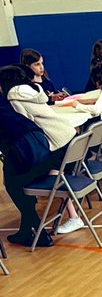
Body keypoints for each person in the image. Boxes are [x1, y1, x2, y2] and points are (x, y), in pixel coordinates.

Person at [1, 64, 92, 234]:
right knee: (52, 172)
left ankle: (67, 218)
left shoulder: (13, 97)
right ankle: (70, 216)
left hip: (54, 141)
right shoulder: (33, 90)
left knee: (25, 176)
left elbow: (25, 122)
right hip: (67, 136)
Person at [0, 82, 60, 246]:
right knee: (20, 182)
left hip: (22, 146)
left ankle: (40, 234)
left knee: (14, 184)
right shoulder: (6, 99)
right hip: (38, 141)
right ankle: (26, 230)